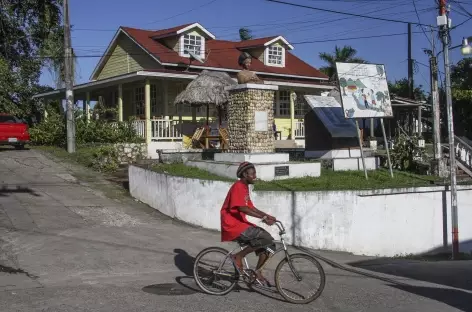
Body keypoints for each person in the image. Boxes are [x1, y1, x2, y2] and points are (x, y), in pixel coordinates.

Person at [220, 161, 277, 286]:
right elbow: (242, 208)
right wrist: (263, 218)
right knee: (265, 237)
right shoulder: (237, 187)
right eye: (253, 173)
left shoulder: (245, 188)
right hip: (232, 225)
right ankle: (238, 256)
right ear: (245, 174)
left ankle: (257, 273)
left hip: (240, 223)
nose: (255, 176)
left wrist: (267, 216)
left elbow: (251, 207)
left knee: (270, 246)